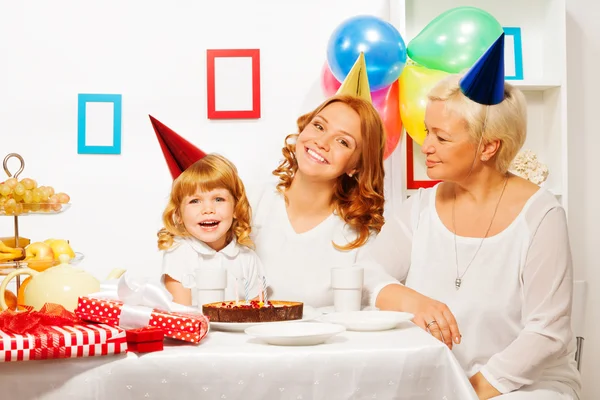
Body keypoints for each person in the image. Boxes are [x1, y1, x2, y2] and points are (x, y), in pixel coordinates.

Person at [372, 34, 581, 399]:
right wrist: (415, 302)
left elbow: (547, 331)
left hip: (524, 388)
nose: (427, 146)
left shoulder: (542, 215)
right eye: (426, 132)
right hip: (440, 382)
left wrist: (472, 390)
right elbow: (369, 277)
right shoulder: (419, 208)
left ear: (488, 146)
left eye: (442, 137)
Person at [247, 53, 402, 308]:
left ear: (356, 165)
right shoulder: (249, 203)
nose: (322, 142)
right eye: (319, 126)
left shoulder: (359, 237)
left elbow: (378, 285)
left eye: (343, 141)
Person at [158, 153, 264, 306]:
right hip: (194, 329)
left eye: (218, 199)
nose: (208, 209)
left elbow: (258, 312)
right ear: (178, 214)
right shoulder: (179, 254)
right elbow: (181, 316)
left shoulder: (247, 258)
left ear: (236, 208)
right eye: (195, 201)